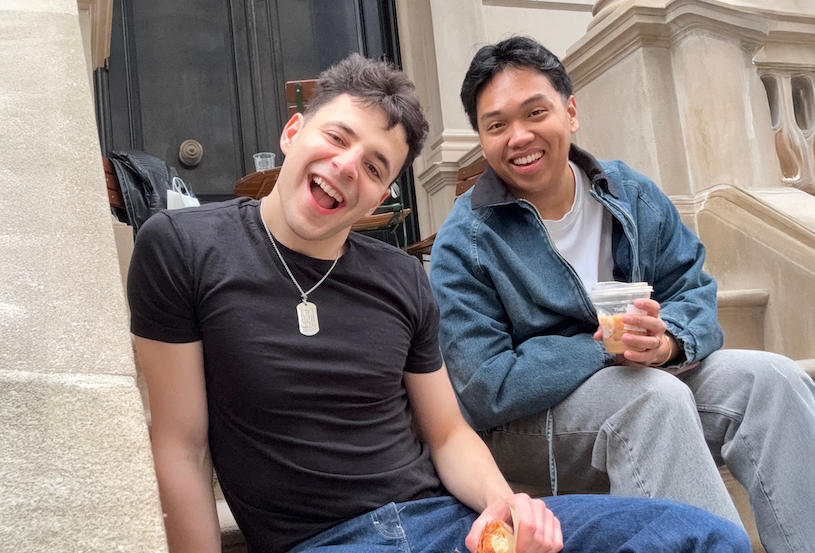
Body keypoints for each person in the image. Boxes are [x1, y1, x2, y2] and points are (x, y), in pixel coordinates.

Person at [128, 53, 750, 553]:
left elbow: (449, 432)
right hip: (326, 539)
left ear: (380, 197)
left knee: (702, 535)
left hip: (446, 522)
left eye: (375, 166)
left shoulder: (399, 277)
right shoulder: (185, 246)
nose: (346, 168)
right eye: (336, 137)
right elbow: (181, 445)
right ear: (294, 132)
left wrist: (506, 508)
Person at [428, 35, 815, 553]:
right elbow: (484, 387)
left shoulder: (630, 193)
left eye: (535, 112)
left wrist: (668, 343)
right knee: (648, 397)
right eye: (496, 125)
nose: (518, 136)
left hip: (644, 379)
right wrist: (603, 346)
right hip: (527, 430)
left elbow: (694, 291)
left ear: (570, 112)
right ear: (481, 138)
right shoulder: (467, 238)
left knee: (773, 380)